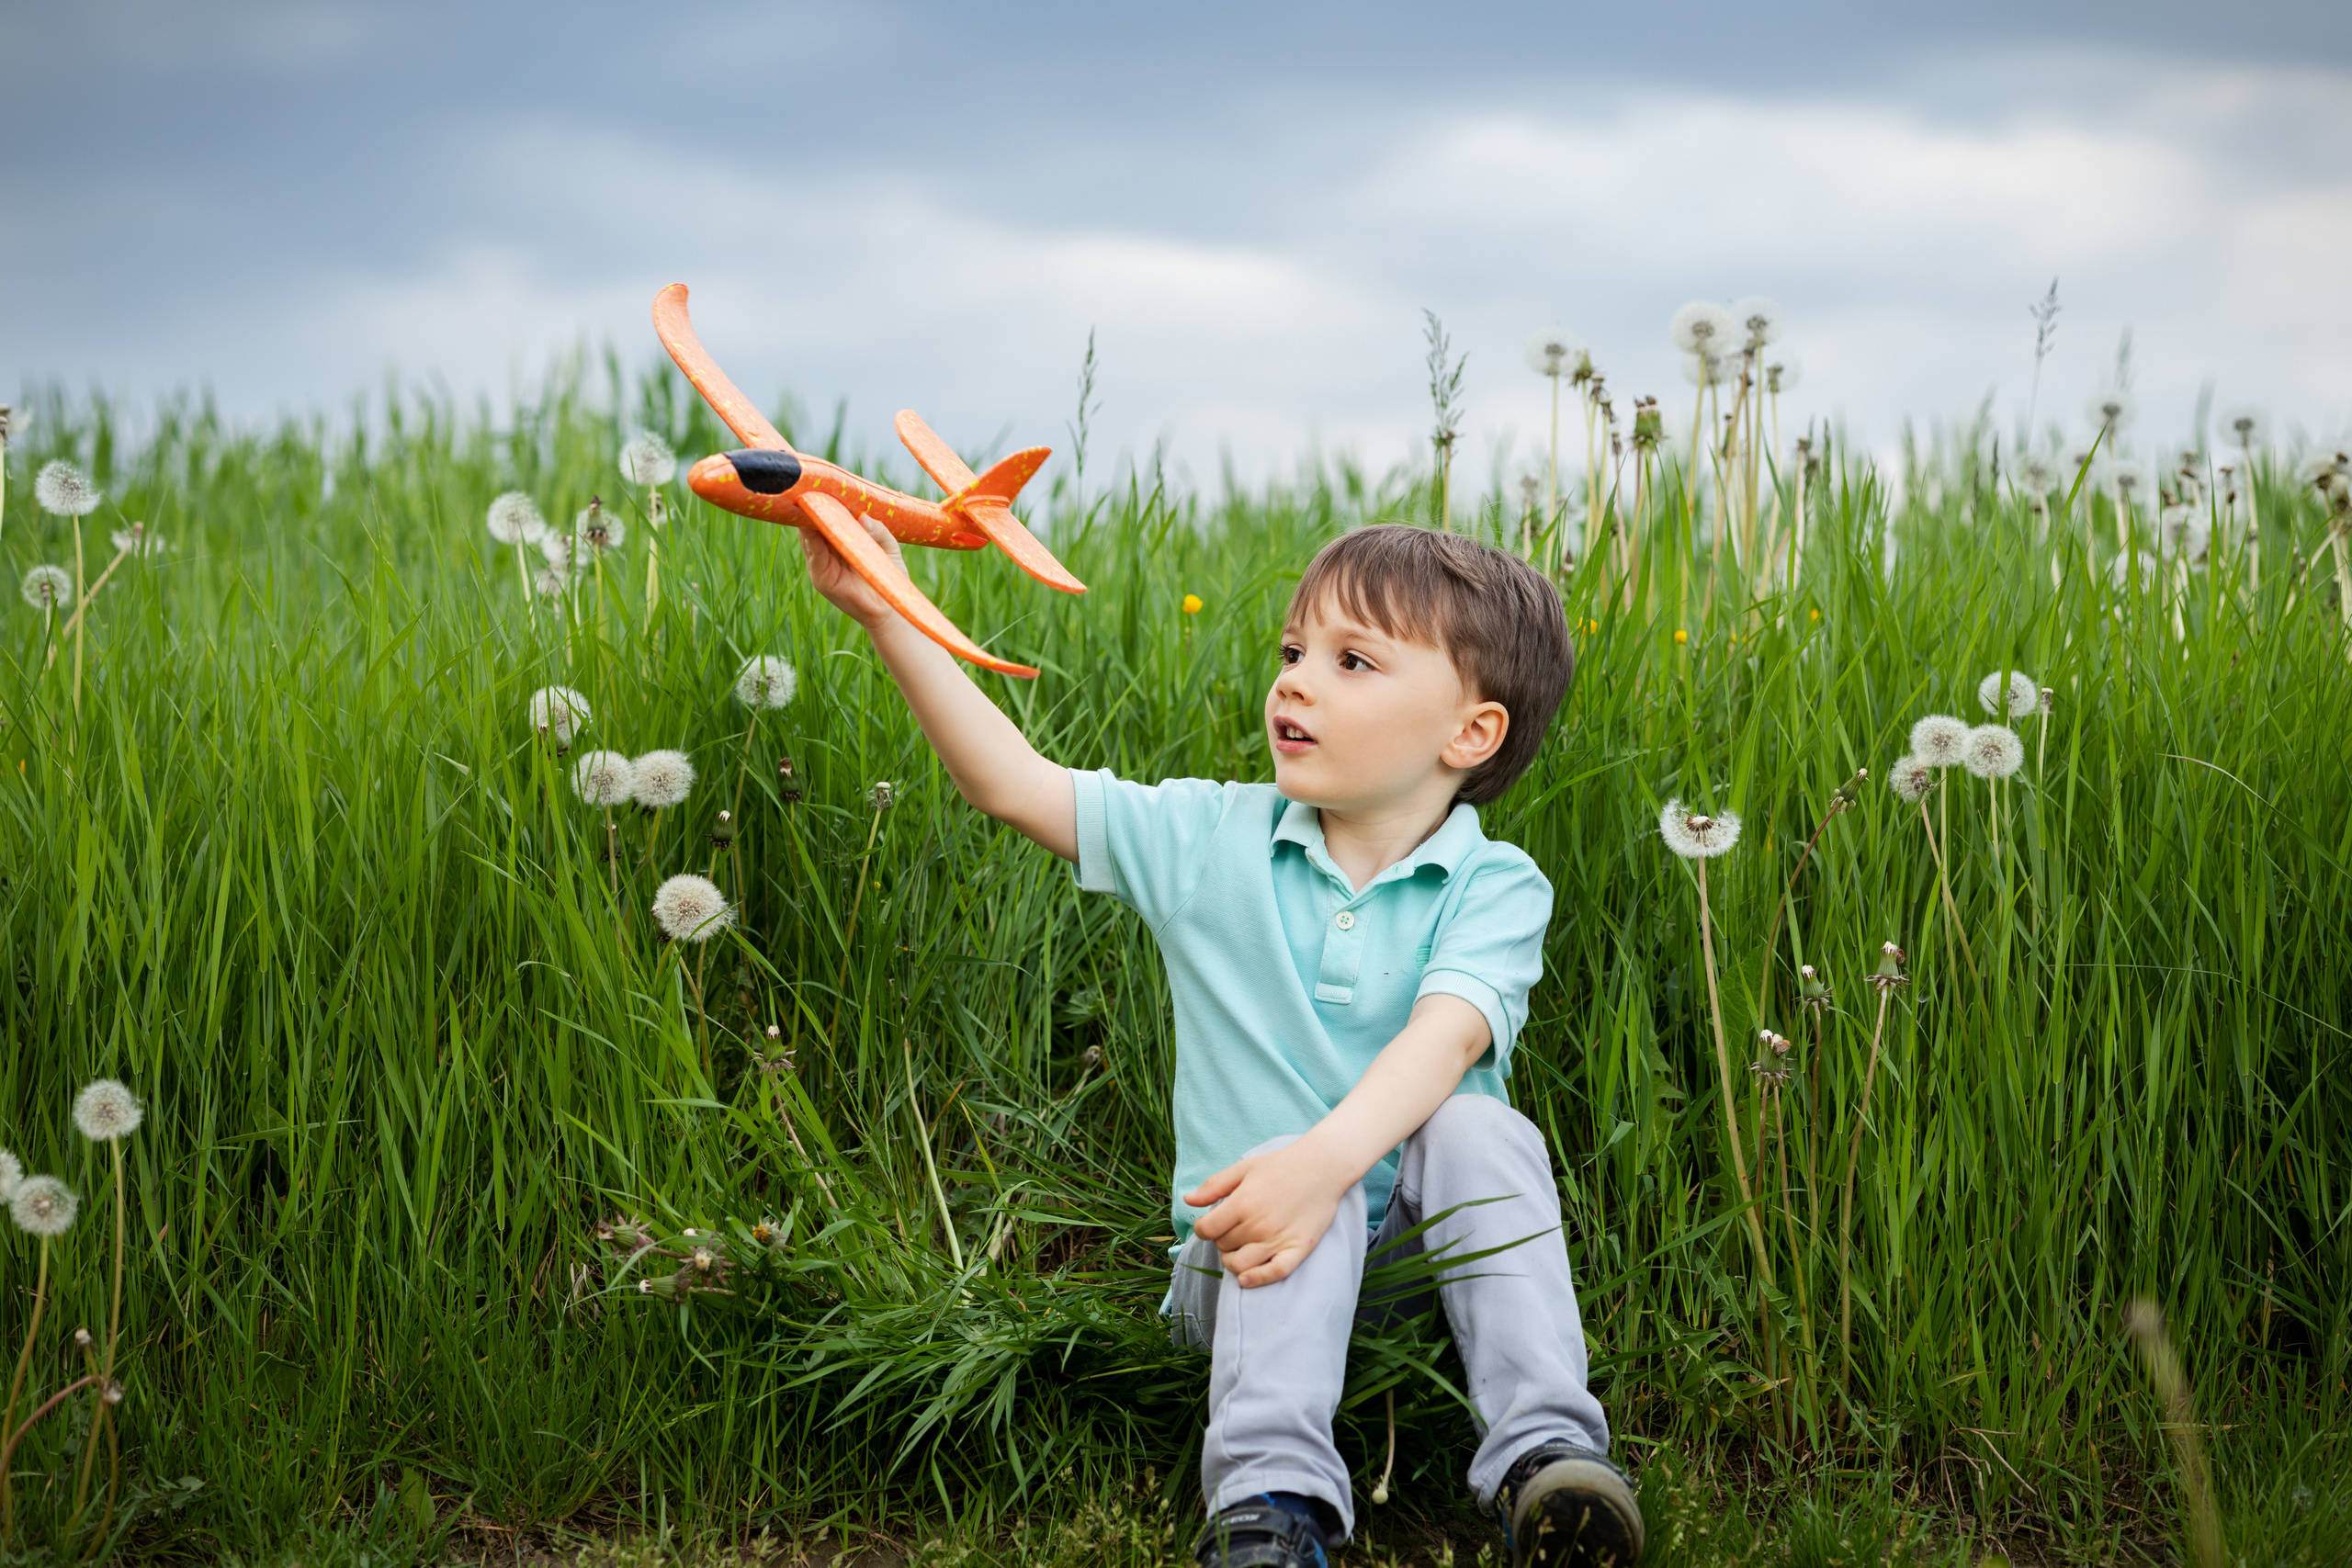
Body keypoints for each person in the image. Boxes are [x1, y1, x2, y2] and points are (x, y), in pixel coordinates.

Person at [800, 517, 1641, 1568]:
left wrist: (1321, 1168)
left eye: (1351, 662)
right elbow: (1012, 784)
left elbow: (1444, 1038)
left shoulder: (1495, 886)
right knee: (1287, 1180)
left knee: (1480, 1127)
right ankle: (1269, 1503)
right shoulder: (1210, 839)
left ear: (1468, 734)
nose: (1295, 684)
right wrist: (887, 610)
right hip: (1244, 1265)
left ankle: (1546, 1461)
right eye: (1292, 653)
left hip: (1420, 1285)